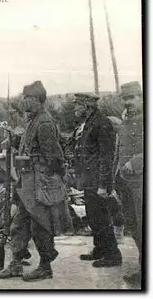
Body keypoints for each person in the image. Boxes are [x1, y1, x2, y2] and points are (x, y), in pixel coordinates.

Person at [0, 80, 66, 282]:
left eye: (28, 98)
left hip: (38, 182)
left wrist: (39, 171)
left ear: (37, 99)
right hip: (27, 182)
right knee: (19, 224)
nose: (24, 101)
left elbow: (52, 156)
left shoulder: (44, 123)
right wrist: (14, 142)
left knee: (40, 226)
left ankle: (45, 267)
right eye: (24, 97)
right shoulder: (33, 120)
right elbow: (30, 145)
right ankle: (16, 264)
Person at [72, 93, 122, 268]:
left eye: (77, 105)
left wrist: (103, 185)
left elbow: (106, 157)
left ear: (87, 106)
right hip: (90, 180)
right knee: (93, 217)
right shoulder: (90, 123)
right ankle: (100, 249)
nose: (74, 109)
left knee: (101, 218)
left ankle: (113, 255)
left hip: (98, 182)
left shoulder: (101, 123)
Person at [114, 81, 143, 285]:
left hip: (143, 182)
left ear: (141, 97)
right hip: (126, 183)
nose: (127, 102)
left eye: (131, 98)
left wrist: (136, 161)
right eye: (124, 99)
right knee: (133, 226)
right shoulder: (126, 121)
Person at [107, 115, 125, 244]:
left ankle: (119, 235)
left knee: (119, 206)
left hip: (123, 176)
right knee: (114, 205)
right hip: (114, 176)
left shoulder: (123, 138)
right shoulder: (111, 139)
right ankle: (117, 235)